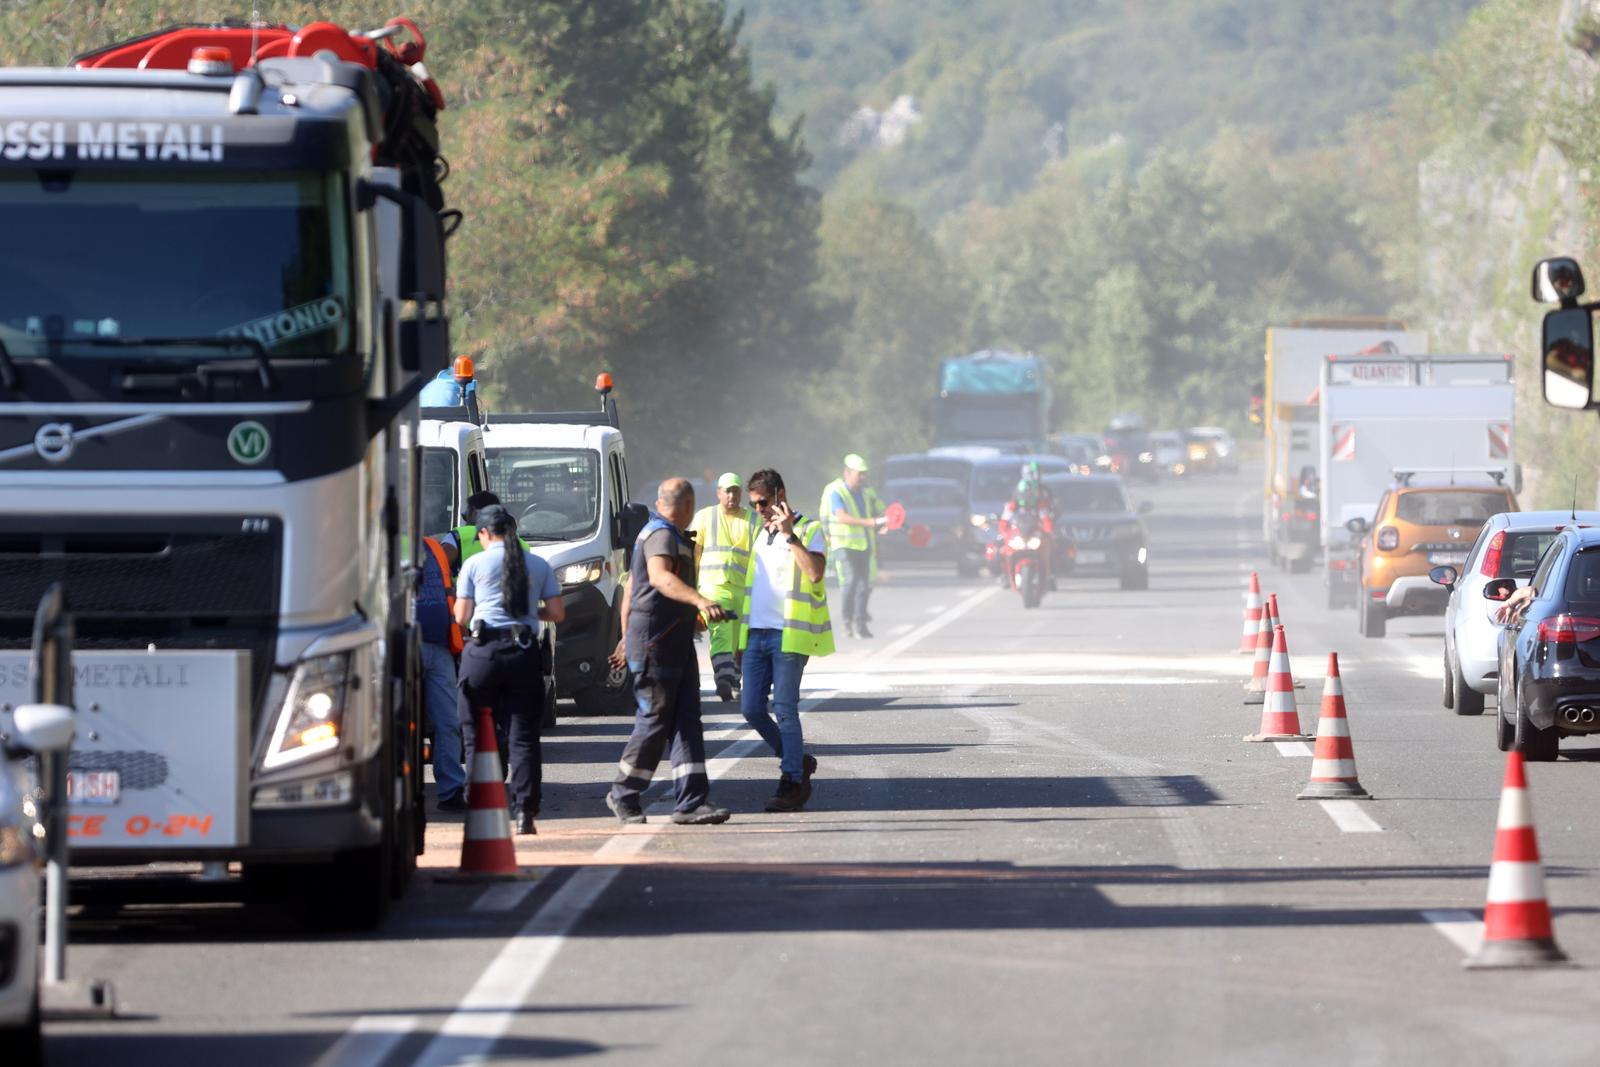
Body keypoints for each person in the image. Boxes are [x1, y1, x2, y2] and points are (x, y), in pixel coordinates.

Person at [604, 478, 733, 826]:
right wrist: (700, 601)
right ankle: (623, 793)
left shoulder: (665, 534)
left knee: (687, 720)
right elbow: (659, 579)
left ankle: (691, 802)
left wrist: (626, 633)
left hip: (672, 642)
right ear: (688, 506)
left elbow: (633, 588)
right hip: (656, 646)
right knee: (656, 719)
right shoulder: (660, 535)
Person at [453, 505, 565, 835]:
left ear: (484, 534)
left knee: (476, 736)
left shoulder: (474, 563)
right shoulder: (537, 564)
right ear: (512, 532)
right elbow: (557, 613)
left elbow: (461, 616)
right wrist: (529, 613)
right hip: (523, 653)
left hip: (482, 654)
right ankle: (525, 812)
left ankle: (479, 805)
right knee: (524, 739)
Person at [739, 468, 832, 812]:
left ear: (781, 494)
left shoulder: (809, 528)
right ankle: (796, 759)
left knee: (785, 709)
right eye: (754, 505)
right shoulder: (758, 533)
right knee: (750, 709)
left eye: (763, 502)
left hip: (789, 633)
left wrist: (790, 536)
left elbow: (815, 572)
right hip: (756, 634)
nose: (760, 510)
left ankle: (792, 780)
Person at [689, 471, 757, 700]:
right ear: (718, 493)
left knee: (739, 639)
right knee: (721, 631)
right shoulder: (705, 517)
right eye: (727, 491)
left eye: (736, 491)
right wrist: (692, 589)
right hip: (712, 587)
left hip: (742, 589)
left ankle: (733, 679)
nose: (731, 495)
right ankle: (723, 679)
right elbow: (694, 553)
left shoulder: (753, 520)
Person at [420, 536, 468, 812]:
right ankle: (396, 791)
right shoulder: (376, 542)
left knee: (449, 723)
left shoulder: (436, 548)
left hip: (440, 649)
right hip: (398, 648)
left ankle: (451, 790)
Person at [820, 453, 886, 638]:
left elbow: (874, 513)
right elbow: (841, 516)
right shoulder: (837, 492)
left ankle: (860, 623)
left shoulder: (864, 493)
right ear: (847, 473)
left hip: (863, 544)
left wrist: (881, 524)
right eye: (859, 474)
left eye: (864, 474)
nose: (863, 477)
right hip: (843, 544)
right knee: (851, 582)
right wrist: (870, 523)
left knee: (864, 585)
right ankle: (847, 621)